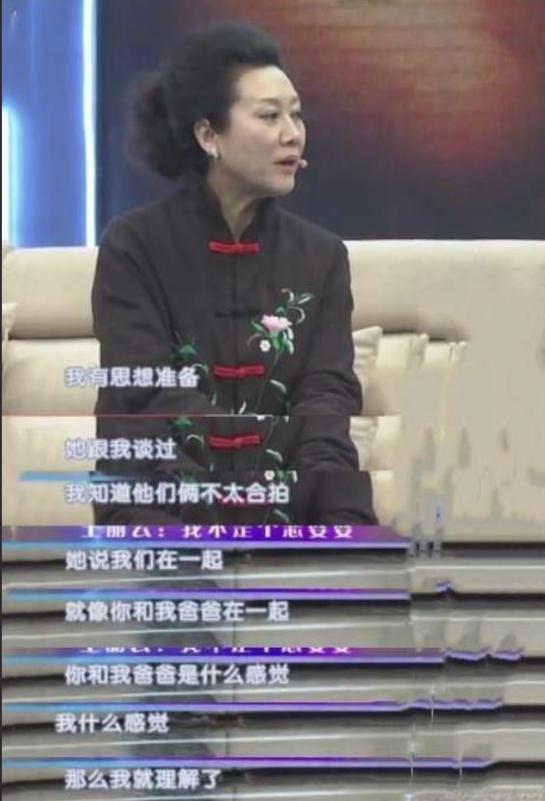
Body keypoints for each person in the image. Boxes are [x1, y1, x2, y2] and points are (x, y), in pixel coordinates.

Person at [92, 20, 377, 526]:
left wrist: (329, 519)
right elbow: (149, 397)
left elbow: (326, 399)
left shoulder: (322, 256)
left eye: (296, 114)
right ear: (208, 135)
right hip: (162, 496)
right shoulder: (134, 247)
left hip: (288, 498)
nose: (292, 134)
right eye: (269, 116)